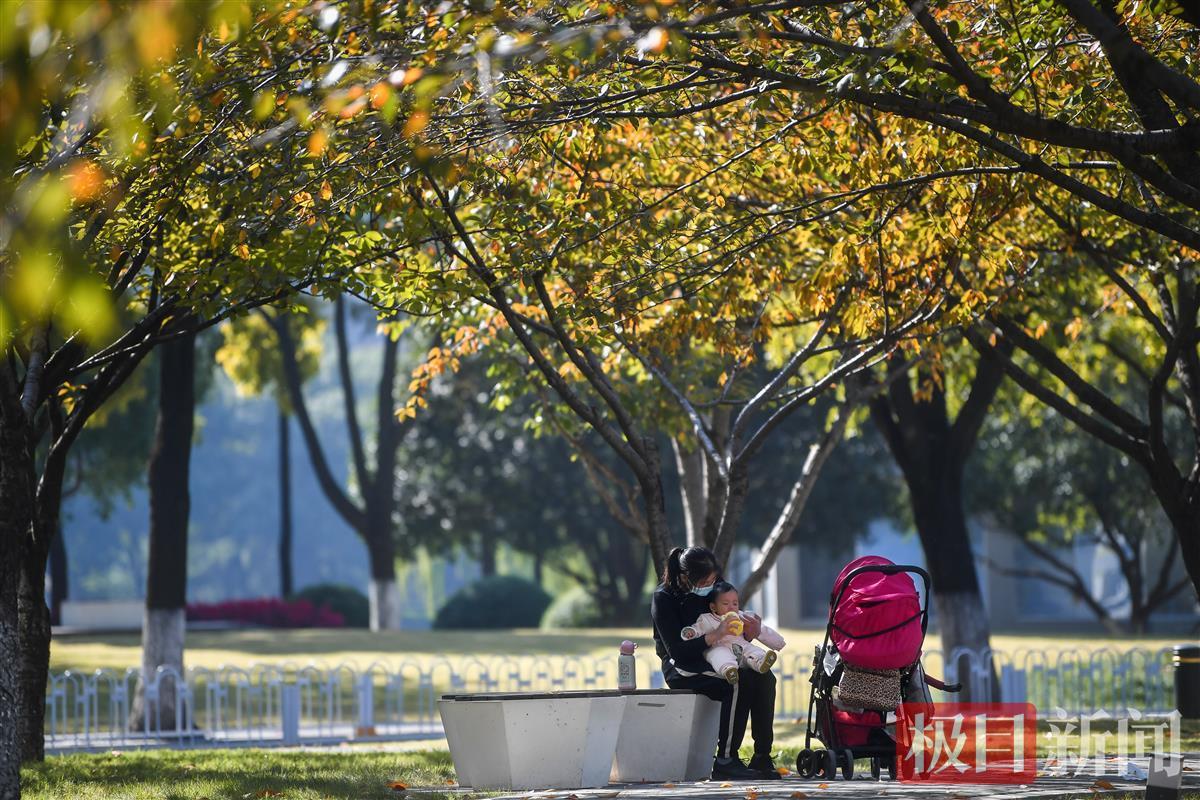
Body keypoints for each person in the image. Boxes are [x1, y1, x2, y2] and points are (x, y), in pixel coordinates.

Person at [650, 546, 782, 781]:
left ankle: (762, 756)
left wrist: (749, 632)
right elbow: (677, 652)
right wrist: (715, 635)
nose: (712, 584)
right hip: (683, 666)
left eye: (714, 578)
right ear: (685, 577)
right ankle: (726, 760)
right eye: (706, 580)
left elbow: (730, 623)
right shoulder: (665, 598)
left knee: (764, 677)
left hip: (723, 654)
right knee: (735, 681)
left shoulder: (714, 588)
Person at [681, 580, 785, 682]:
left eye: (735, 604)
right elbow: (697, 629)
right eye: (725, 603)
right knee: (718, 655)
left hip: (739, 645)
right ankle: (729, 670)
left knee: (751, 650)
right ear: (713, 607)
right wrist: (690, 632)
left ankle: (760, 662)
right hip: (717, 645)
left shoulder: (741, 616)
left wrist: (778, 642)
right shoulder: (707, 618)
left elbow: (761, 629)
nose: (731, 607)